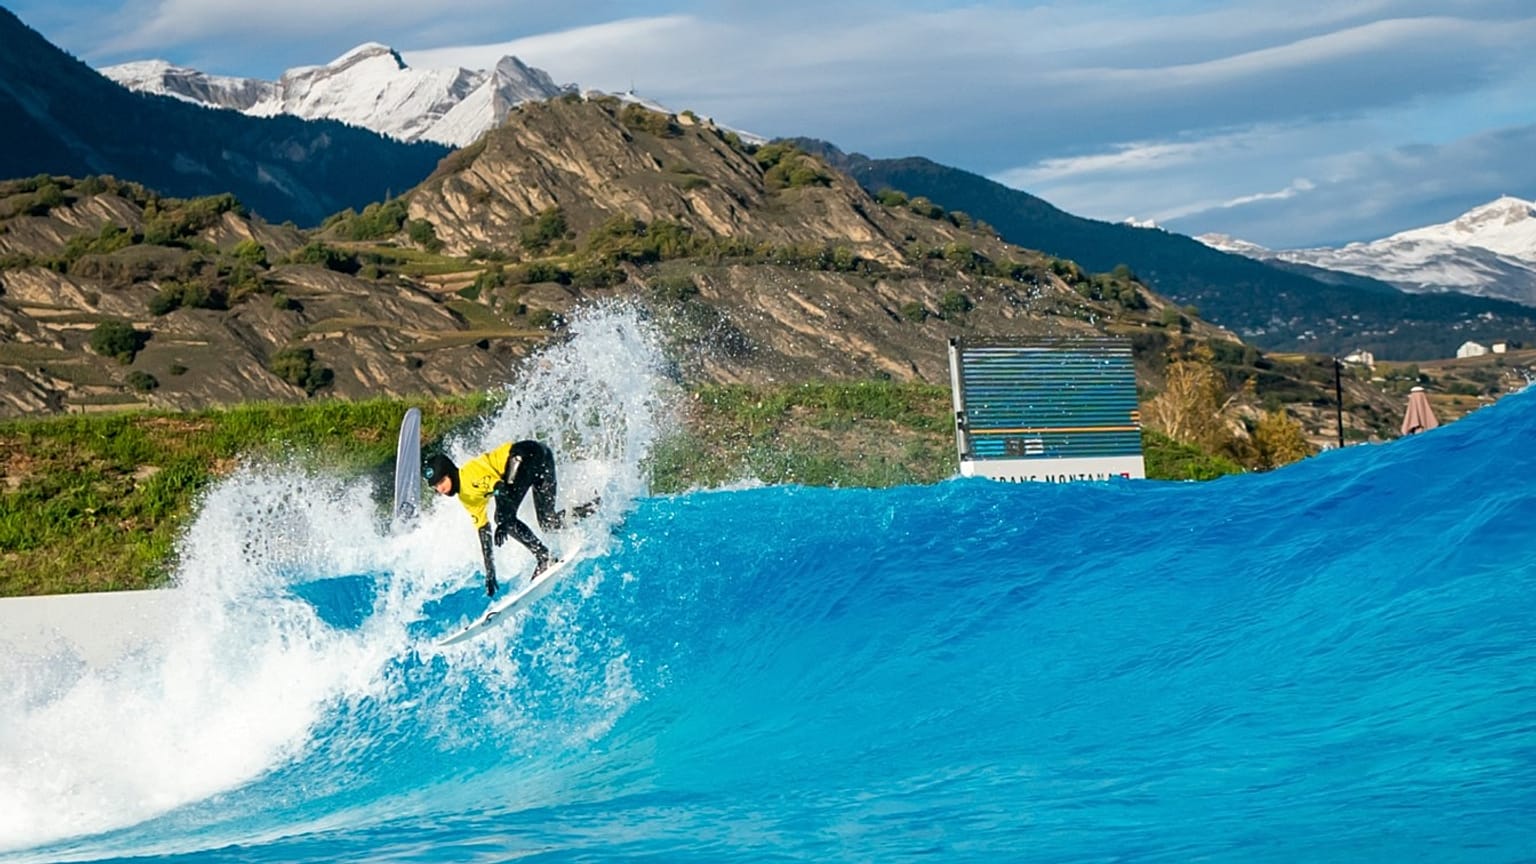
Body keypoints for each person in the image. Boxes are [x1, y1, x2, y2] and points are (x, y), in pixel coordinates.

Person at [423, 441, 594, 597]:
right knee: (548, 522)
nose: (441, 489)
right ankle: (593, 508)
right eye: (436, 486)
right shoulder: (467, 498)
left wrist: (505, 521)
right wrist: (490, 571)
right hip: (542, 456)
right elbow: (483, 529)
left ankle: (544, 557)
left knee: (502, 515)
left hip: (525, 456)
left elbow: (500, 488)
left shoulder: (470, 475)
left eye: (442, 481)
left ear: (450, 473)